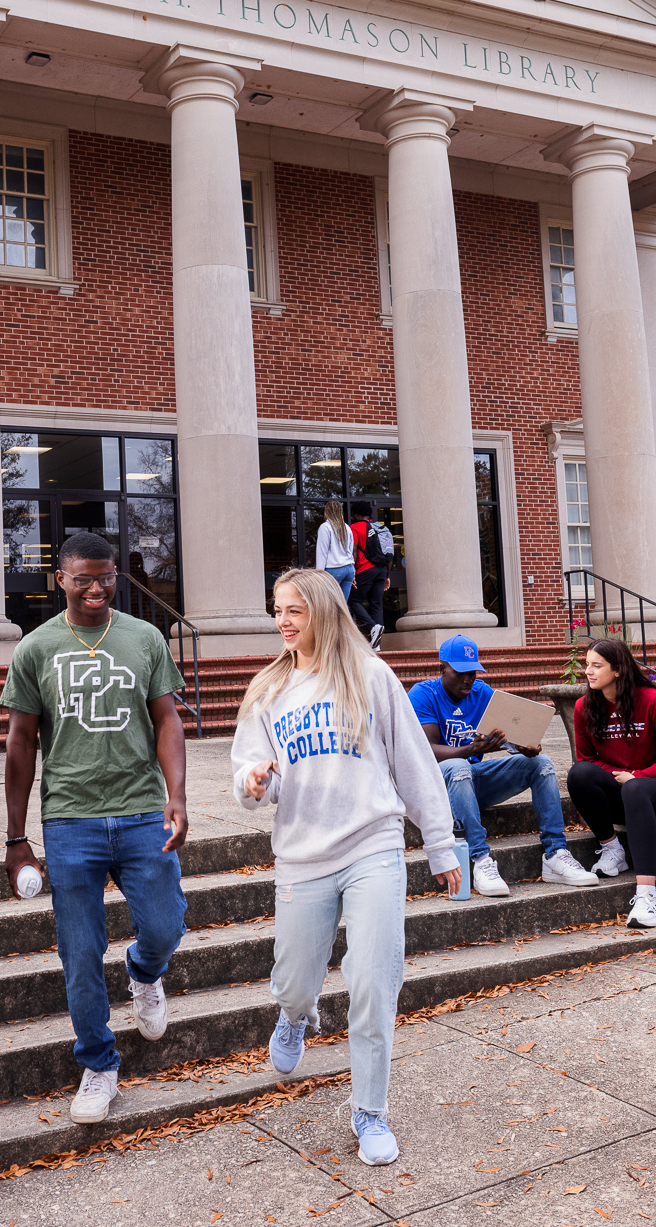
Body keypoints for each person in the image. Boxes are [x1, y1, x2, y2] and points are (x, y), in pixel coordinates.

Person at [233, 568, 461, 1167]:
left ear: (326, 612)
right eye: (278, 610)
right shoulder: (266, 691)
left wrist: (440, 845)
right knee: (294, 977)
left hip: (372, 843)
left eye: (295, 611)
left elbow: (414, 763)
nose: (283, 621)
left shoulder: (370, 675)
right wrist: (253, 781)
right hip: (303, 854)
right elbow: (252, 777)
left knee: (373, 979)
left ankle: (369, 1111)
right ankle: (293, 1014)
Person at [0, 531, 189, 1126]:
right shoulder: (36, 648)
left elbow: (167, 721)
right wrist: (15, 837)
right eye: (83, 577)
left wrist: (177, 796)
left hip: (139, 811)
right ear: (60, 578)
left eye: (106, 577)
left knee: (165, 926)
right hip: (71, 818)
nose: (96, 589)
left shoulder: (145, 638)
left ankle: (144, 972)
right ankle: (99, 1064)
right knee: (79, 951)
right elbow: (21, 742)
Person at [409, 636, 599, 896]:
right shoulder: (423, 694)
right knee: (457, 765)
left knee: (540, 764)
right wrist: (470, 750)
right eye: (461, 672)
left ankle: (556, 853)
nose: (468, 679)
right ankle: (480, 859)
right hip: (437, 786)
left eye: (473, 672)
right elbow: (426, 751)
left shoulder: (482, 692)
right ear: (443, 669)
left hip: (471, 782)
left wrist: (525, 745)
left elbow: (509, 732)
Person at [564, 638, 656, 930]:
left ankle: (648, 895)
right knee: (578, 774)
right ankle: (611, 849)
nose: (588, 671)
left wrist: (638, 776)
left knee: (634, 787)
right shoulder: (584, 707)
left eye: (597, 665)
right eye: (586, 665)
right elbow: (587, 759)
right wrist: (621, 773)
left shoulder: (652, 700)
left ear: (618, 669)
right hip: (621, 792)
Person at [348, 506, 392, 648]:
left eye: (353, 514)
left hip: (365, 569)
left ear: (357, 514)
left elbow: (354, 550)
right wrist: (387, 576)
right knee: (376, 604)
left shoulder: (355, 527)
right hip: (382, 570)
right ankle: (377, 645)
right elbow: (389, 553)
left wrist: (352, 571)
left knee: (352, 600)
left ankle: (372, 627)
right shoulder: (382, 528)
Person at [314, 499, 355, 602]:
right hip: (349, 568)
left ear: (326, 512)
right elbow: (350, 549)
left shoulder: (325, 527)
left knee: (328, 604)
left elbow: (322, 552)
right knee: (342, 605)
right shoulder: (346, 527)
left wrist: (319, 574)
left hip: (334, 569)